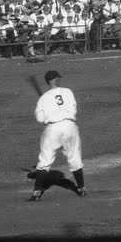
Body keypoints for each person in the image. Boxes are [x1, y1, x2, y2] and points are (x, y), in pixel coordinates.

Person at [31, 69, 85, 200]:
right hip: (70, 127)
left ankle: (37, 191)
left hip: (52, 129)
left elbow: (39, 118)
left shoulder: (43, 98)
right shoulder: (68, 92)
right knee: (74, 158)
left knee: (45, 159)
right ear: (56, 79)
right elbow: (73, 108)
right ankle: (81, 188)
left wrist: (47, 118)